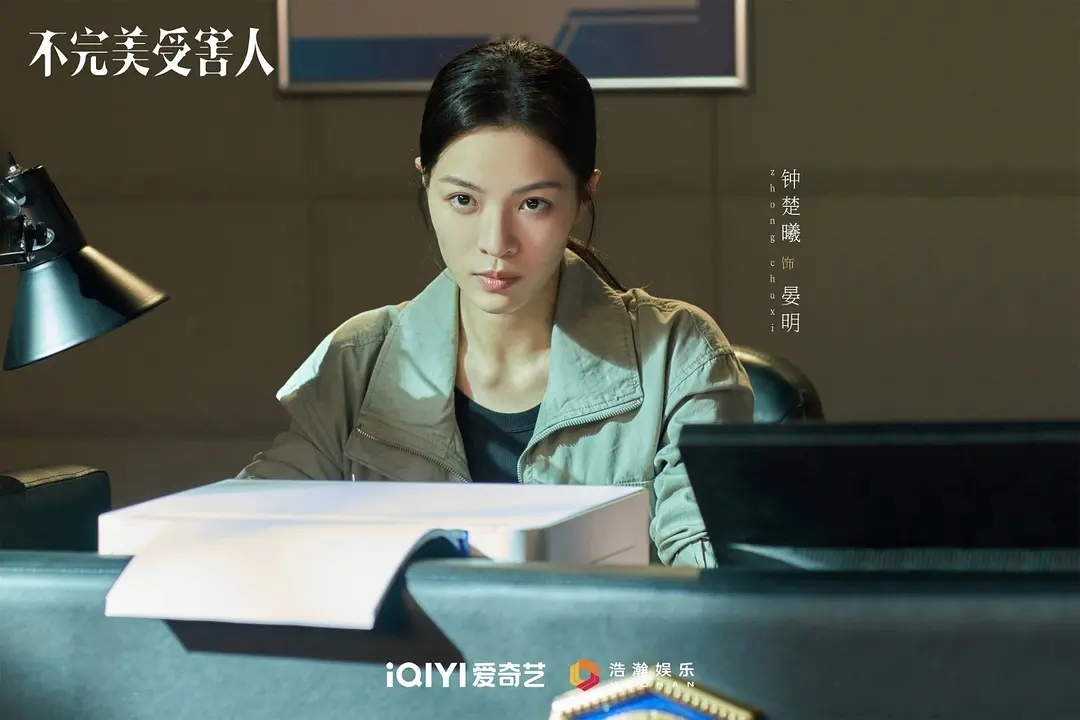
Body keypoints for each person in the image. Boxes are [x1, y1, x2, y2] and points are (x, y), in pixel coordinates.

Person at [237, 39, 754, 567]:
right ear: (425, 182)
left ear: (584, 196)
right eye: (463, 199)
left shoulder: (677, 357)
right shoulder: (357, 363)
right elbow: (244, 532)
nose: (496, 242)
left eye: (533, 204)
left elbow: (713, 572)